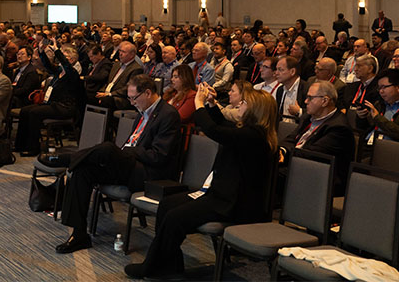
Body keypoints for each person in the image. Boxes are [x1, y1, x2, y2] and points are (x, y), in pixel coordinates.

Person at [124, 85, 278, 279]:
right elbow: (222, 123)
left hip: (232, 203)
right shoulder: (248, 131)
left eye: (244, 102)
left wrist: (199, 105)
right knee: (167, 204)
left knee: (175, 218)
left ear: (256, 109)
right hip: (219, 194)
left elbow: (214, 130)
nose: (240, 104)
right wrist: (211, 105)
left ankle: (153, 266)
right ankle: (171, 265)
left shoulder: (254, 137)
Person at [55, 75, 181, 254]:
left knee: (107, 148)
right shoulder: (141, 113)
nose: (131, 103)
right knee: (83, 171)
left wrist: (128, 152)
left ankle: (67, 159)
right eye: (129, 98)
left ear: (147, 93)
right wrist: (125, 152)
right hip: (129, 166)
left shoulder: (168, 115)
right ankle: (79, 234)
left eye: (133, 98)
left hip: (149, 174)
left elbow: (159, 156)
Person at [282, 81, 355, 196]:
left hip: (322, 178)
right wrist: (282, 150)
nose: (306, 102)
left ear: (325, 101)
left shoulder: (339, 128)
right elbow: (290, 139)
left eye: (310, 98)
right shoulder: (308, 117)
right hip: (300, 166)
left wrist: (284, 156)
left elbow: (311, 155)